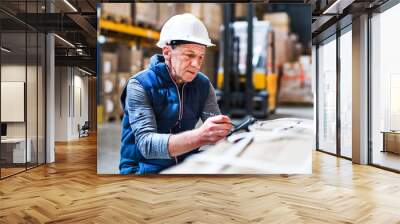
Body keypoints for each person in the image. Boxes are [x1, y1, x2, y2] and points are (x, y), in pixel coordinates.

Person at [119, 13, 233, 174]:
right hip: (144, 168)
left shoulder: (203, 84)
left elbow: (216, 131)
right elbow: (147, 145)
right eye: (189, 55)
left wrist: (223, 133)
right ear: (166, 52)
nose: (196, 64)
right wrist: (201, 136)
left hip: (184, 166)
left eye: (201, 57)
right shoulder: (140, 85)